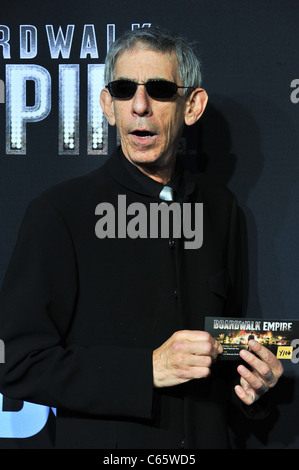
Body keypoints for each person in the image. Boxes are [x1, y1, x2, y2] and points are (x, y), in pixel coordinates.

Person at [0, 26, 283, 449]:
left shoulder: (220, 209)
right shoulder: (60, 212)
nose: (139, 105)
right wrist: (145, 369)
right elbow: (18, 363)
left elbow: (223, 353)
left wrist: (253, 386)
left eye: (160, 89)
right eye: (123, 88)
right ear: (107, 106)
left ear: (193, 105)